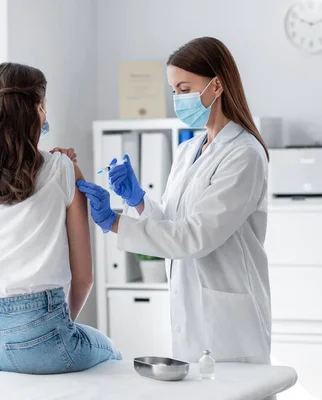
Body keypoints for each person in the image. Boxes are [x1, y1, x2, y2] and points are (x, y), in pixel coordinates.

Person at [78, 37, 272, 365]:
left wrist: (115, 223)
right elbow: (172, 221)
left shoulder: (244, 154)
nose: (177, 99)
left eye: (184, 89)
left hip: (230, 323)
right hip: (193, 310)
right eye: (174, 91)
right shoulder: (187, 151)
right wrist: (138, 201)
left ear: (217, 85)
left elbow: (193, 237)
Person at [0, 62, 121, 374]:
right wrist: (53, 331)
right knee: (111, 352)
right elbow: (84, 278)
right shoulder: (62, 169)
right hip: (38, 336)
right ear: (37, 110)